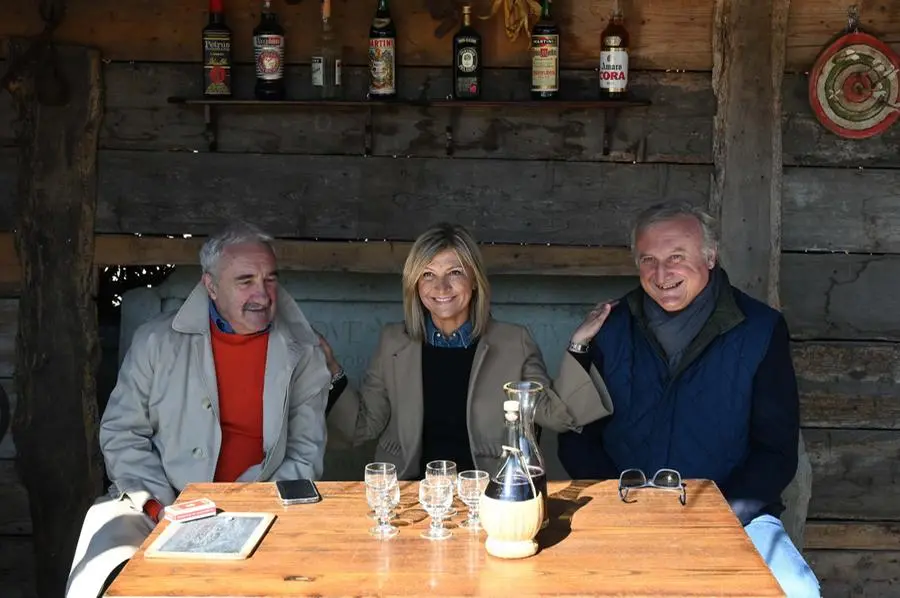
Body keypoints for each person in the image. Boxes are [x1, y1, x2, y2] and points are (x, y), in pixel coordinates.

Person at [556, 203, 820, 597]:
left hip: (736, 515)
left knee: (798, 590)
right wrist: (621, 503)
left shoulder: (760, 329)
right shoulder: (610, 328)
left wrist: (720, 517)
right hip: (624, 512)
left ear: (710, 256)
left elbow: (776, 451)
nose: (662, 275)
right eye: (649, 260)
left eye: (676, 257)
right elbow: (576, 437)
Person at [65, 223, 332, 598]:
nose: (263, 293)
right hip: (155, 507)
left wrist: (245, 510)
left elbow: (306, 451)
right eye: (245, 281)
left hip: (262, 508)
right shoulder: (156, 341)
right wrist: (160, 507)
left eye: (270, 279)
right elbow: (121, 434)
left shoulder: (302, 351)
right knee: (106, 577)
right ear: (210, 286)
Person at [321, 222, 612, 479]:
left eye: (455, 272)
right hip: (411, 493)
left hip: (489, 491)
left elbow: (557, 417)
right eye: (428, 275)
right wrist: (333, 369)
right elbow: (363, 426)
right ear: (414, 285)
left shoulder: (514, 342)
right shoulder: (393, 342)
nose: (441, 286)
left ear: (474, 281)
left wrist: (579, 343)